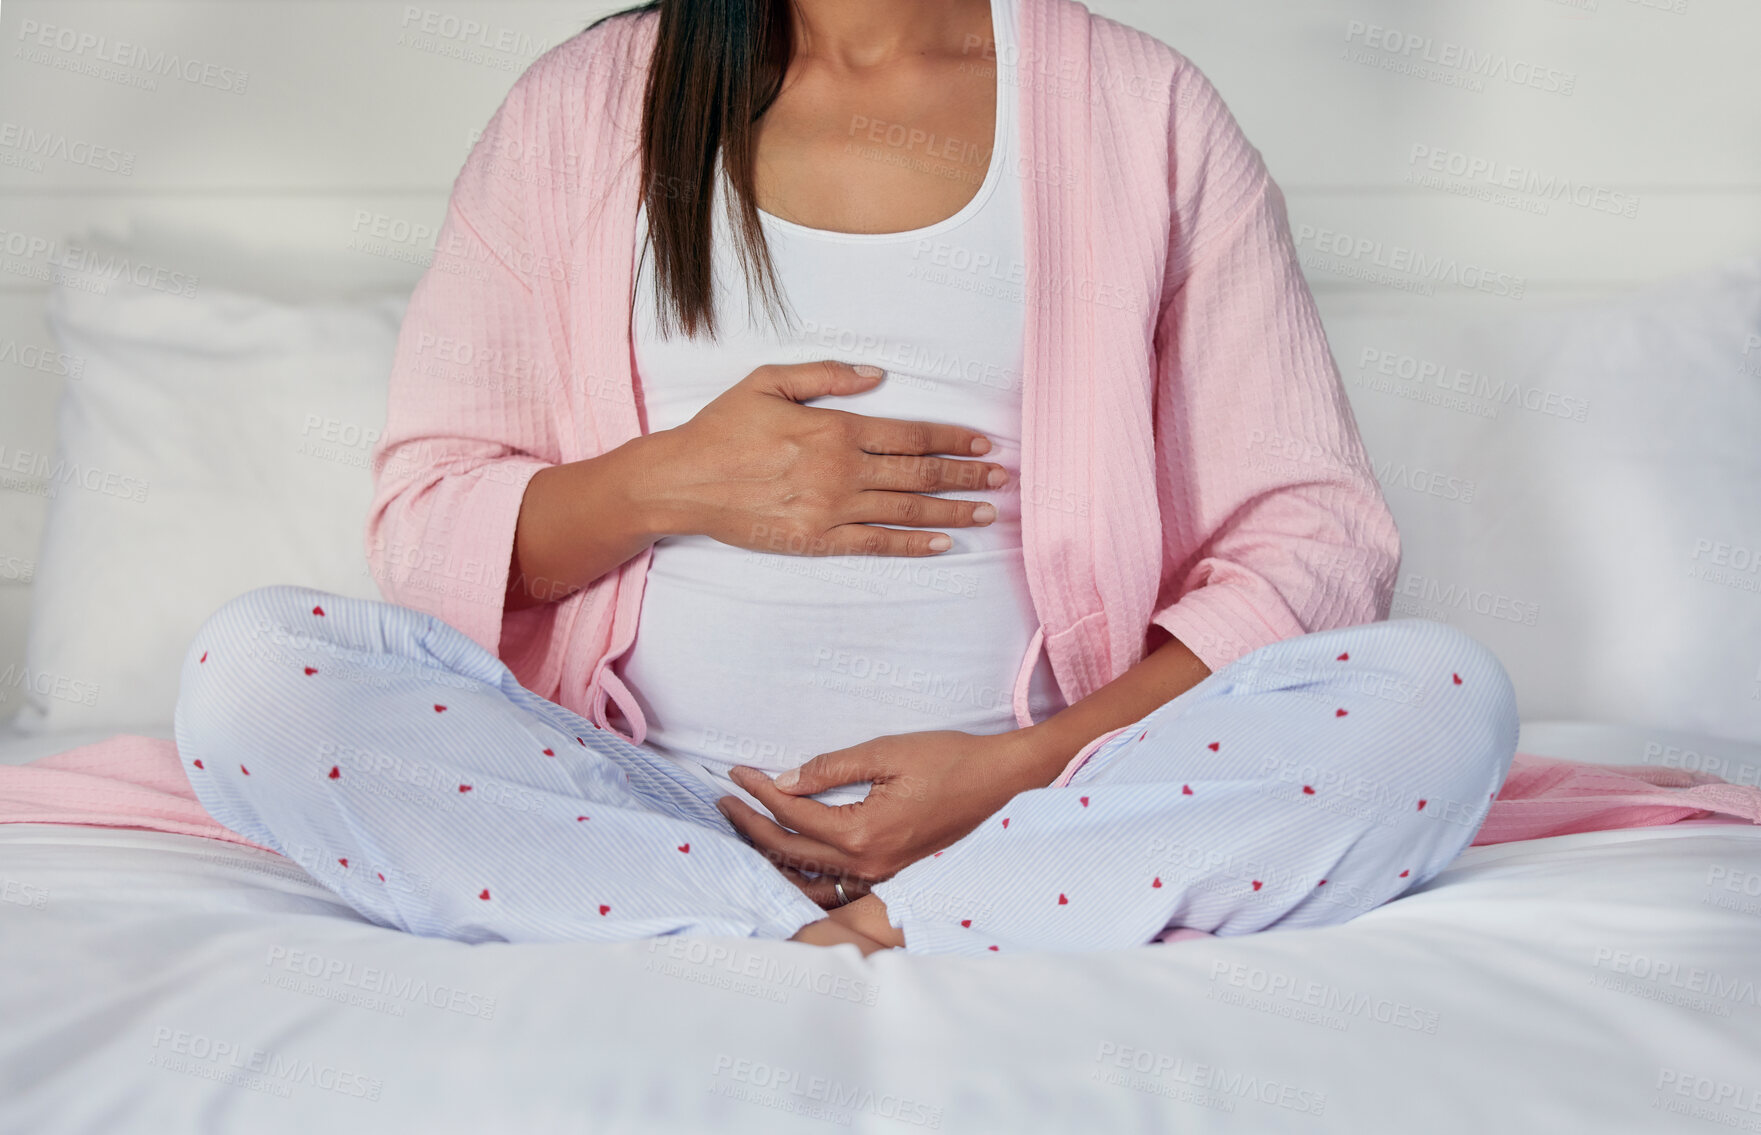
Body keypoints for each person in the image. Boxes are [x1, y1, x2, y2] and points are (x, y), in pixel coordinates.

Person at [173, 0, 1518, 956]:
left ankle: (908, 906)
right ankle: (803, 917)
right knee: (251, 675)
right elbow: (426, 533)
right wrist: (672, 482)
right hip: (641, 795)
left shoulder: (1141, 106)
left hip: (1039, 800)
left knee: (1438, 700)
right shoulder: (580, 107)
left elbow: (1313, 537)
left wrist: (1023, 772)